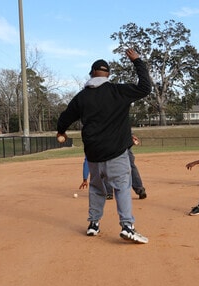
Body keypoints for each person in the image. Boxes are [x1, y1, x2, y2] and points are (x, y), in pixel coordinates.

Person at [56, 49, 151, 244]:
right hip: (116, 151)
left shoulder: (82, 97)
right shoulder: (118, 91)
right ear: (108, 75)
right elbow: (145, 88)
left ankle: (93, 224)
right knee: (122, 187)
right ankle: (127, 226)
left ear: (91, 74)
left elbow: (65, 117)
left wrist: (61, 132)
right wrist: (138, 62)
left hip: (93, 154)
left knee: (97, 188)